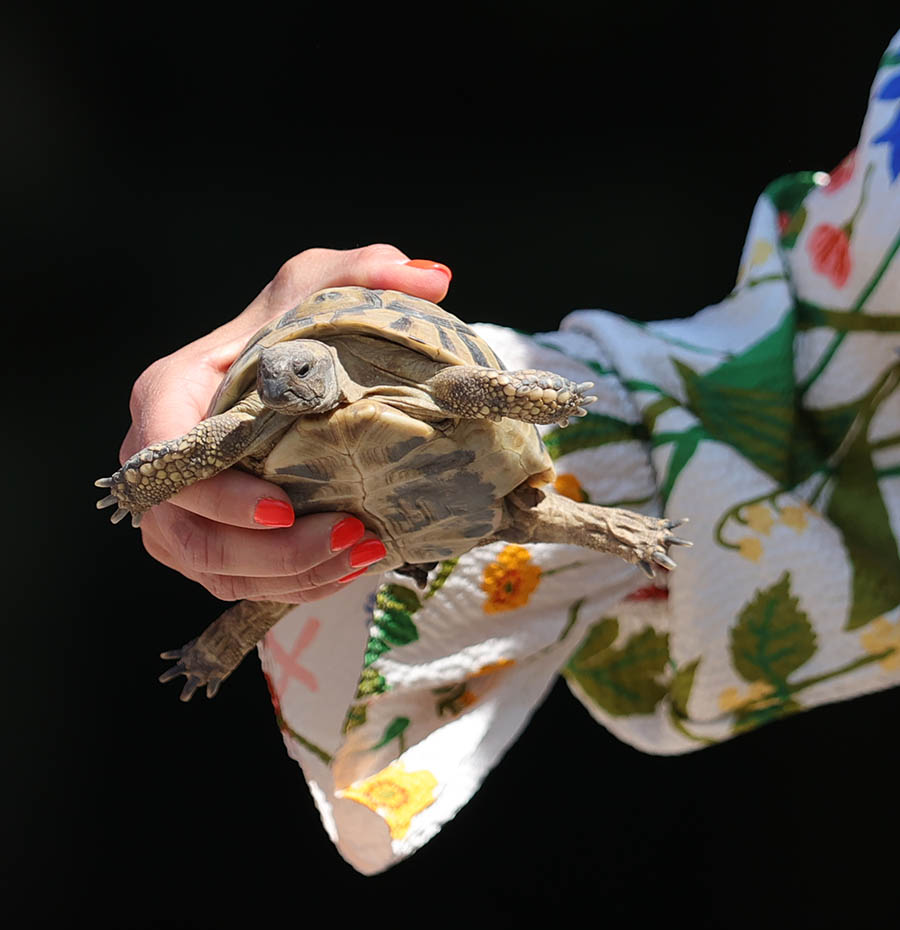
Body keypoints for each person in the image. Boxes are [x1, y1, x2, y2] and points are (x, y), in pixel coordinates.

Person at [112, 34, 900, 874]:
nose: (284, 383)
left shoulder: (420, 386)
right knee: (309, 568)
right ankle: (212, 650)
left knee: (520, 485)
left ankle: (624, 529)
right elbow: (817, 386)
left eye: (298, 371)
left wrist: (535, 396)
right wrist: (152, 477)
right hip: (375, 514)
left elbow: (465, 390)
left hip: (464, 450)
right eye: (277, 378)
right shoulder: (275, 396)